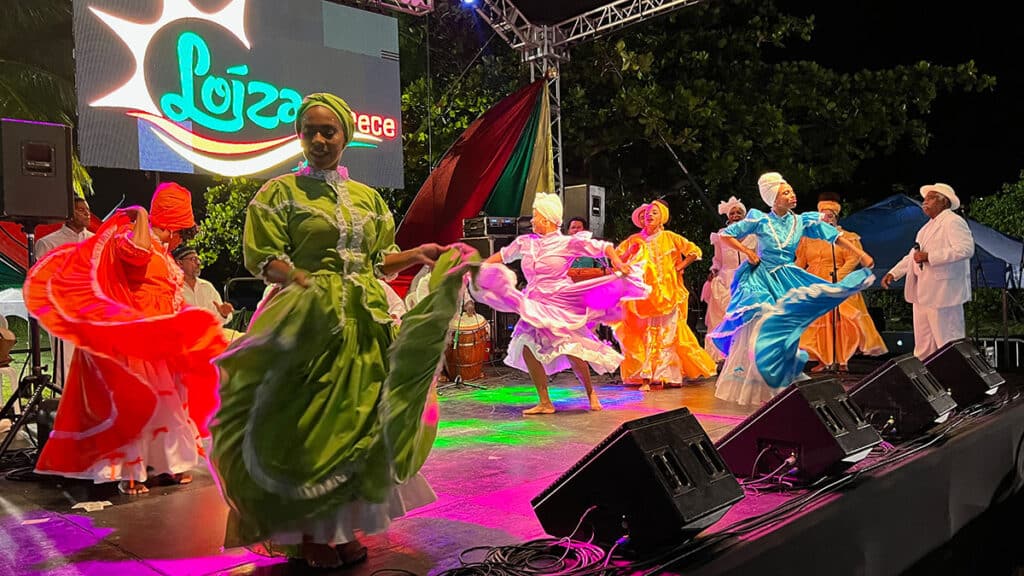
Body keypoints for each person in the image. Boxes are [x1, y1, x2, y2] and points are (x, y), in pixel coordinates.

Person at [209, 93, 474, 570]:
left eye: (328, 131)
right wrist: (294, 279)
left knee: (359, 425)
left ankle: (340, 526)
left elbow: (375, 259)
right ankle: (309, 533)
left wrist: (417, 254)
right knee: (308, 427)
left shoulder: (368, 199)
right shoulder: (279, 193)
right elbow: (262, 257)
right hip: (306, 318)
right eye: (309, 130)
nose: (318, 139)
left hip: (363, 318)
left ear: (345, 136)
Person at [24, 183, 226, 495]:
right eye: (181, 230)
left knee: (167, 406)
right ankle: (129, 474)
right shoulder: (130, 238)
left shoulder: (164, 254)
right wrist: (143, 216)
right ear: (172, 226)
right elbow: (136, 253)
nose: (181, 239)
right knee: (138, 405)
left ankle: (163, 467)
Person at [471, 192, 645, 414]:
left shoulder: (567, 243)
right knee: (526, 346)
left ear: (546, 219)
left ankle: (591, 393)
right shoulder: (526, 243)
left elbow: (604, 247)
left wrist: (618, 261)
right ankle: (545, 401)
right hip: (533, 302)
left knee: (572, 348)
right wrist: (481, 267)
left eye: (535, 217)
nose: (532, 221)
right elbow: (503, 256)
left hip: (560, 301)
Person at [710, 172, 875, 405]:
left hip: (787, 276)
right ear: (773, 199)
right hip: (761, 277)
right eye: (785, 192)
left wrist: (860, 254)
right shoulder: (760, 219)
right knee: (763, 322)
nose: (792, 194)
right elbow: (726, 234)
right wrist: (748, 252)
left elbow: (833, 236)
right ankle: (761, 377)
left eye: (791, 190)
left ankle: (779, 381)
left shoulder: (801, 221)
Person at [615, 200, 717, 390]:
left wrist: (678, 267)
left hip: (668, 293)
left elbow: (694, 251)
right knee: (644, 334)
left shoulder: (670, 237)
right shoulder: (635, 240)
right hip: (643, 296)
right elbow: (618, 259)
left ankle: (665, 374)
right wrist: (629, 253)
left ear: (661, 216)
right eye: (646, 214)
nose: (649, 216)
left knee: (667, 333)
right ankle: (646, 375)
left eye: (654, 212)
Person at [795, 195, 887, 371]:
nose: (825, 218)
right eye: (822, 214)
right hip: (814, 281)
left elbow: (853, 259)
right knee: (817, 322)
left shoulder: (847, 237)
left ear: (836, 217)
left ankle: (842, 359)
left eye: (829, 215)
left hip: (839, 280)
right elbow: (800, 261)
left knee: (843, 319)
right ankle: (824, 359)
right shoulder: (808, 238)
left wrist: (837, 278)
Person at [881, 183, 974, 359]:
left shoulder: (953, 221)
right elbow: (914, 256)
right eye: (924, 199)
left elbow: (965, 249)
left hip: (944, 293)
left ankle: (955, 379)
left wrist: (930, 256)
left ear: (944, 202)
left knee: (947, 341)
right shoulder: (926, 228)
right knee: (924, 344)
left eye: (930, 198)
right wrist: (894, 273)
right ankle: (926, 381)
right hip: (924, 293)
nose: (925, 202)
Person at [35, 197, 94, 386]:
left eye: (87, 209)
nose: (87, 213)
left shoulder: (97, 241)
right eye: (80, 210)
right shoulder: (48, 244)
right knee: (67, 366)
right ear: (68, 214)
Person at [701, 196, 757, 362]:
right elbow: (718, 259)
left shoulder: (753, 234)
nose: (736, 215)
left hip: (747, 277)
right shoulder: (721, 236)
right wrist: (714, 270)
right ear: (728, 216)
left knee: (745, 316)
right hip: (726, 279)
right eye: (732, 213)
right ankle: (722, 355)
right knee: (721, 316)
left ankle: (746, 353)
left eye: (739, 212)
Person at [173, 246, 234, 325]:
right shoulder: (173, 288)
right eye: (193, 259)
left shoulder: (207, 287)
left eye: (198, 259)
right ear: (180, 263)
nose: (198, 263)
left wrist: (223, 314)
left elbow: (220, 320)